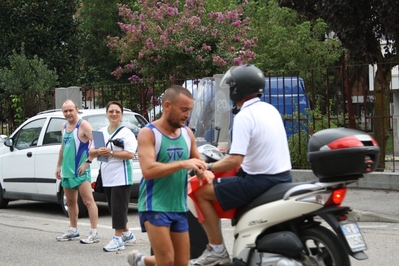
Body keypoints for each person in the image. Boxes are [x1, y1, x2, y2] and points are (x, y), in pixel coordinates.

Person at [189, 65, 293, 266]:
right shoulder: (270, 109)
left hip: (259, 182)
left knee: (200, 191)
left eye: (230, 87)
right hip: (282, 177)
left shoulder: (245, 116)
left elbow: (235, 159)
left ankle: (217, 250)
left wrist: (208, 167)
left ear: (238, 90)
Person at [127, 85, 214, 266]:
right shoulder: (148, 133)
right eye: (183, 110)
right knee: (166, 261)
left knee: (181, 262)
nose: (187, 115)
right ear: (167, 106)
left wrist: (204, 172)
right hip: (155, 205)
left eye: (189, 110)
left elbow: (198, 161)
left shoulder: (186, 133)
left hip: (179, 206)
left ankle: (141, 262)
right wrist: (183, 163)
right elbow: (148, 170)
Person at [89, 101, 138, 252]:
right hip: (107, 176)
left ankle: (118, 239)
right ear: (107, 114)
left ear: (121, 115)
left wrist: (111, 153)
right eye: (111, 111)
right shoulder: (101, 132)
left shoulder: (126, 133)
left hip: (121, 176)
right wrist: (99, 152)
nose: (114, 114)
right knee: (114, 208)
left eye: (117, 111)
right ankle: (127, 234)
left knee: (118, 207)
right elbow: (91, 152)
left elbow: (130, 154)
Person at [55, 99, 100, 244]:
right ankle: (73, 230)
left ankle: (94, 232)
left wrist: (88, 162)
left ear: (76, 109)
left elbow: (99, 143)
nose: (68, 113)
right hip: (67, 172)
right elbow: (63, 148)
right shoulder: (64, 126)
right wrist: (58, 166)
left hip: (81, 172)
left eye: (70, 110)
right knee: (70, 202)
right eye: (65, 111)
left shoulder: (84, 125)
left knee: (88, 201)